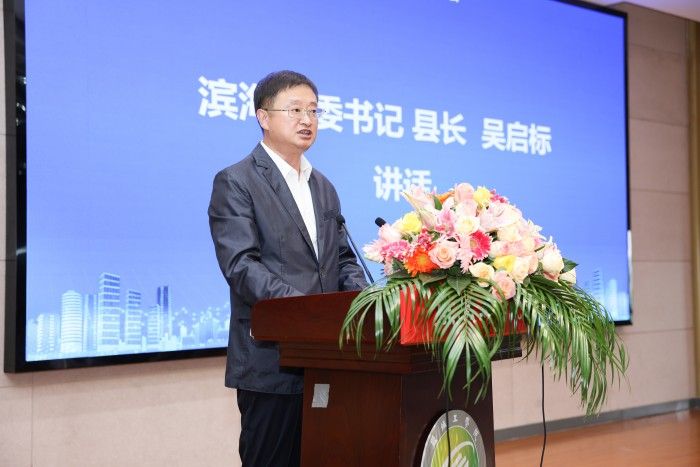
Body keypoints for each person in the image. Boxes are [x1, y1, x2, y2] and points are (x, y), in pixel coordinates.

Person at [208, 70, 368, 466]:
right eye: (295, 110)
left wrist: (364, 302)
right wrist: (306, 313)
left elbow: (342, 258)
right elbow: (241, 266)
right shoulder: (237, 181)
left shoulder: (323, 186)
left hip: (328, 358)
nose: (307, 120)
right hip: (272, 361)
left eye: (313, 110)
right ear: (264, 117)